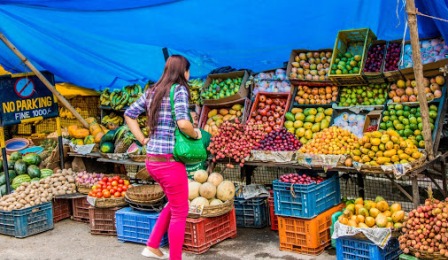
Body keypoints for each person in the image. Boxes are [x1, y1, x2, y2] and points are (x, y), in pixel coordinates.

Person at [124, 55, 201, 260]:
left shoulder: (152, 91)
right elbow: (184, 124)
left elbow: (129, 114)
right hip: (169, 162)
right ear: (183, 71)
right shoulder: (180, 90)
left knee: (173, 204)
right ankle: (175, 257)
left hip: (153, 161)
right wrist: (196, 134)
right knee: (180, 211)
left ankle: (152, 245)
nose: (189, 74)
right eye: (188, 70)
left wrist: (142, 139)